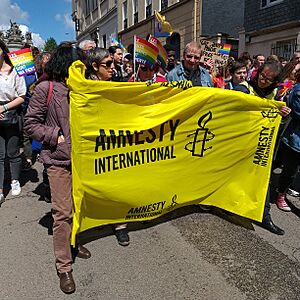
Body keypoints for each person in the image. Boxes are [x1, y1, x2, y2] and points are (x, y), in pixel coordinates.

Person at [24, 43, 91, 294]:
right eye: (78, 65)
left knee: (78, 206)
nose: (83, 70)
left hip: (83, 161)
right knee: (62, 212)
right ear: (67, 65)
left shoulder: (83, 89)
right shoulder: (45, 89)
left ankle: (74, 244)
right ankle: (64, 266)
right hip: (59, 161)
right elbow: (30, 124)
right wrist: (55, 136)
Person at [84, 47, 131, 246]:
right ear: (95, 67)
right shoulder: (83, 88)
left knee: (117, 183)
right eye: (108, 64)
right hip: (92, 146)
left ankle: (120, 224)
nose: (113, 68)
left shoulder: (117, 86)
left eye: (113, 63)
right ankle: (92, 219)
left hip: (115, 143)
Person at [0, 39, 26, 205]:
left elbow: (22, 96)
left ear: (3, 51)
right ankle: (0, 189)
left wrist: (4, 109)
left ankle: (14, 180)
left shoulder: (15, 72)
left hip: (11, 113)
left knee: (13, 151)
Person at [275, 68, 300, 212]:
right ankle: (280, 194)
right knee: (287, 168)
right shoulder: (297, 90)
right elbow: (297, 111)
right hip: (294, 140)